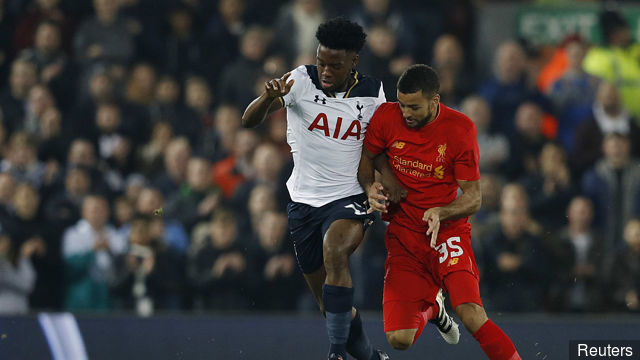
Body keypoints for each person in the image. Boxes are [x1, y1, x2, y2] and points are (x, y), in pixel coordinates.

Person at [242, 17, 388, 360]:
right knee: (330, 304)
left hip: (349, 198)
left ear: (353, 61)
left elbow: (382, 147)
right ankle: (369, 357)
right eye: (321, 61)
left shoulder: (373, 94)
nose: (324, 70)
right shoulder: (300, 80)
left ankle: (336, 354)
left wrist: (376, 185)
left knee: (336, 250)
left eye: (334, 65)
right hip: (303, 203)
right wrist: (267, 99)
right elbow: (248, 122)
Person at [360, 64, 521, 359]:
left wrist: (442, 211)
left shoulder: (459, 129)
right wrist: (370, 186)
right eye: (402, 104)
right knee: (399, 339)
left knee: (470, 313)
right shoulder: (386, 116)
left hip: (447, 232)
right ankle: (434, 308)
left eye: (414, 107)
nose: (405, 112)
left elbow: (473, 198)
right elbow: (367, 157)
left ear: (435, 101)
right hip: (404, 234)